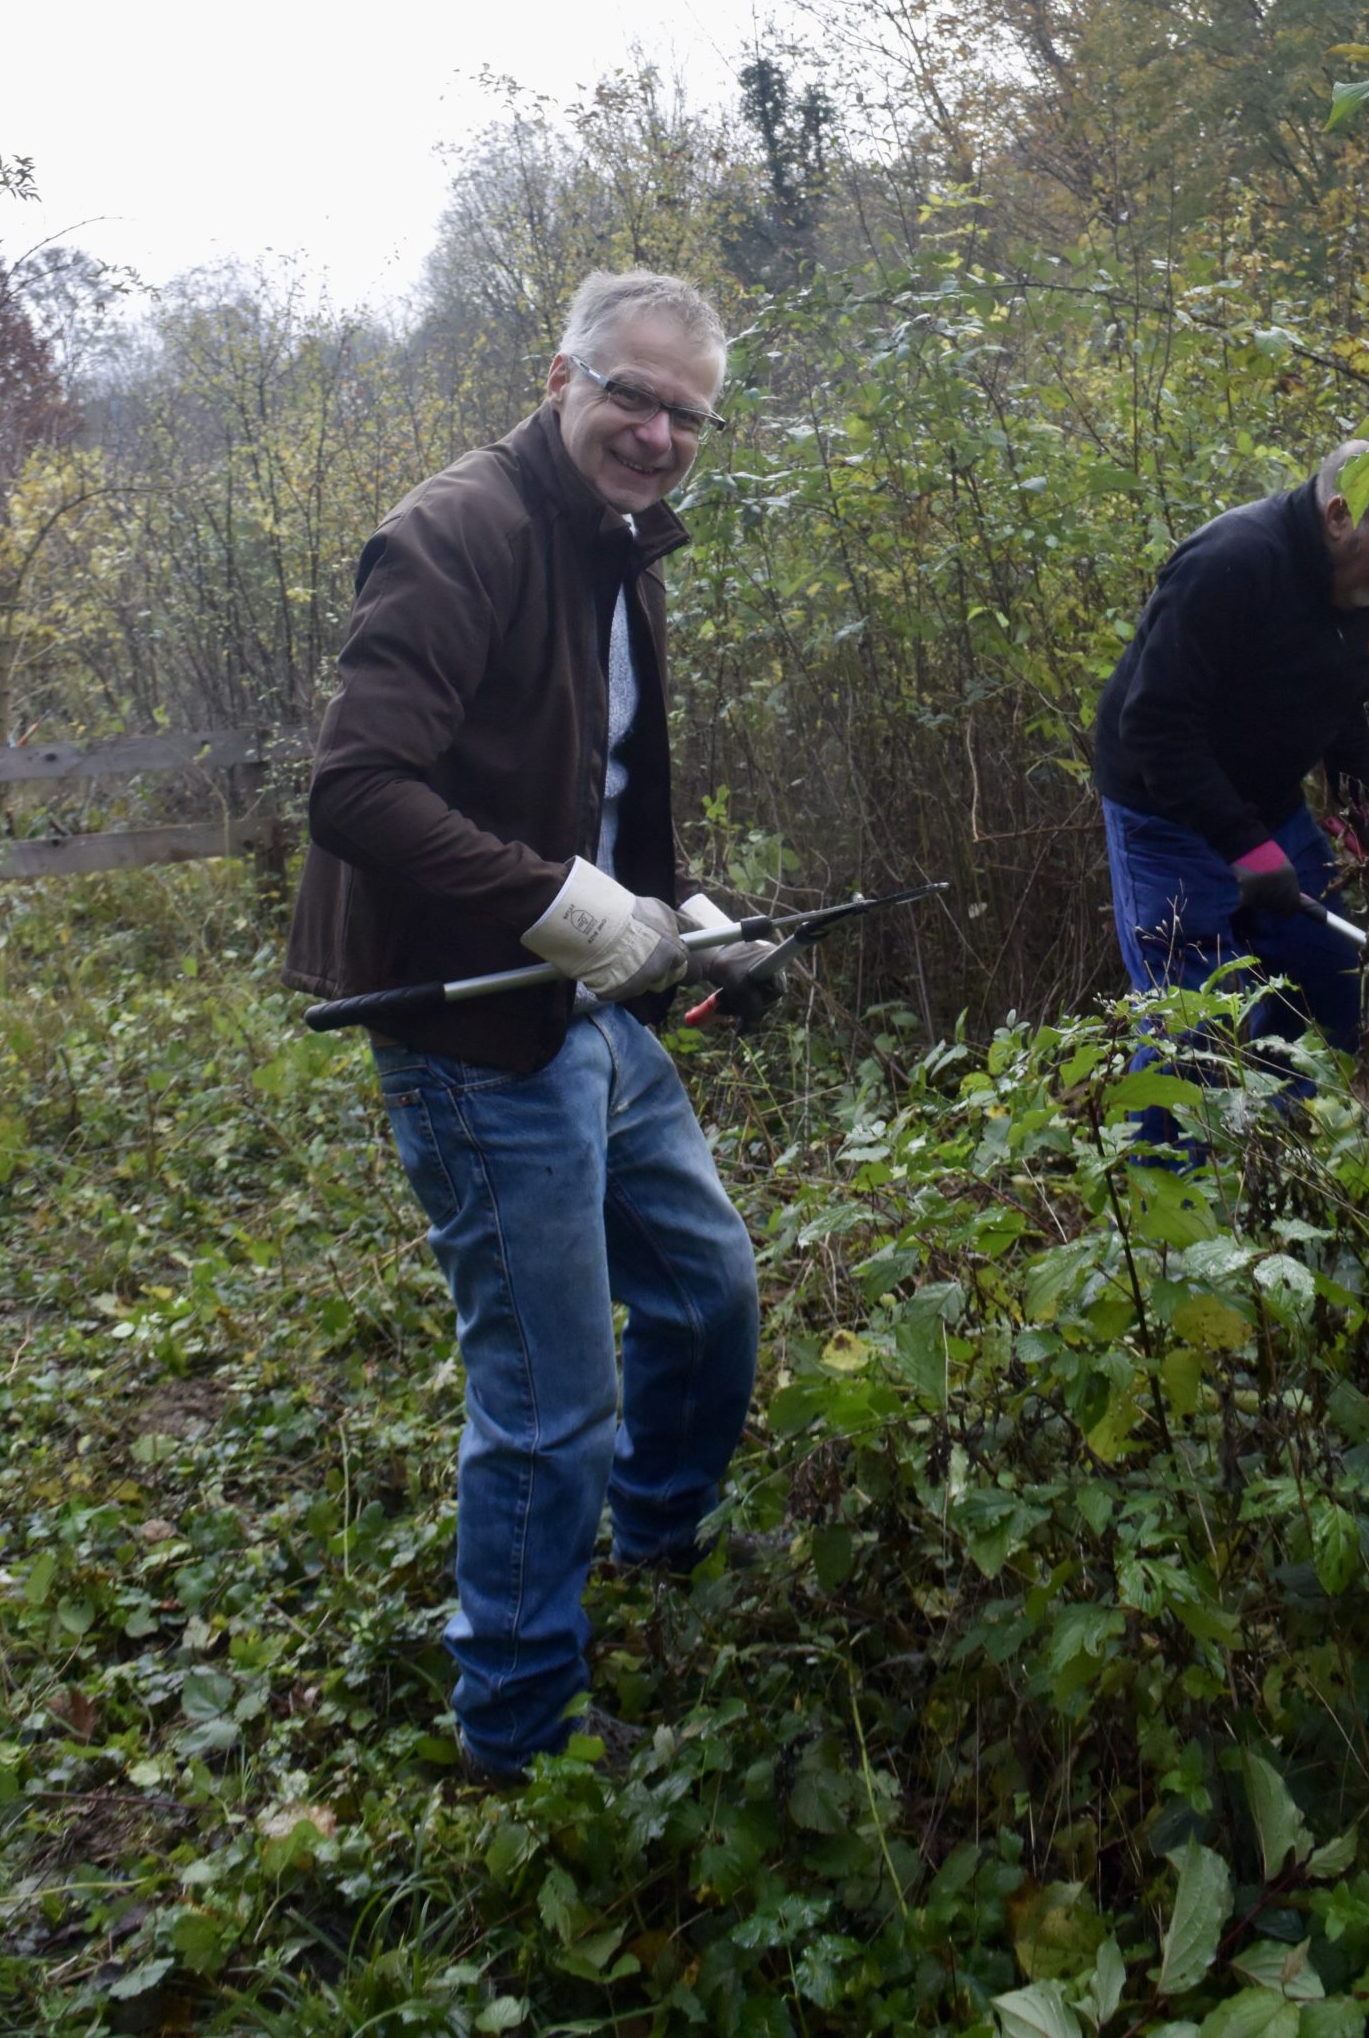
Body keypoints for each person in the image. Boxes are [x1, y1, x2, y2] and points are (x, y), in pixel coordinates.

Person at [286, 269, 779, 1784]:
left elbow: (593, 793)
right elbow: (357, 791)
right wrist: (583, 920)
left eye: (684, 412)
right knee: (552, 1395)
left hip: (589, 1006)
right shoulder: (459, 534)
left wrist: (686, 926)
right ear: (558, 379)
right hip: (473, 1026)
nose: (653, 431)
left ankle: (661, 1546)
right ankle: (516, 1725)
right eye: (628, 393)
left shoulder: (614, 544)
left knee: (706, 1293)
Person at [1093, 440, 1369, 1093]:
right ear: (1338, 515)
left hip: (1269, 804)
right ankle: (1177, 1183)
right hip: (1163, 816)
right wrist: (1244, 847)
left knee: (1331, 979)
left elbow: (1346, 705)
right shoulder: (1229, 563)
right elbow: (1152, 725)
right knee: (1193, 1033)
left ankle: (1287, 1155)